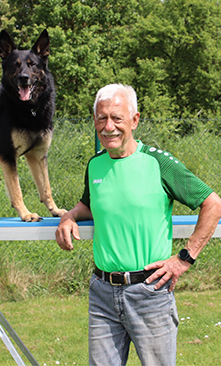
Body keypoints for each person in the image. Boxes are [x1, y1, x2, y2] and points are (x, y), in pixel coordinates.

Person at [55, 84, 221, 366]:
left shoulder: (159, 163)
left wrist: (183, 260)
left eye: (117, 118)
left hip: (150, 292)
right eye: (101, 118)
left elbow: (212, 203)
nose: (109, 127)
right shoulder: (95, 164)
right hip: (102, 294)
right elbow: (88, 205)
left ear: (135, 120)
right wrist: (69, 216)